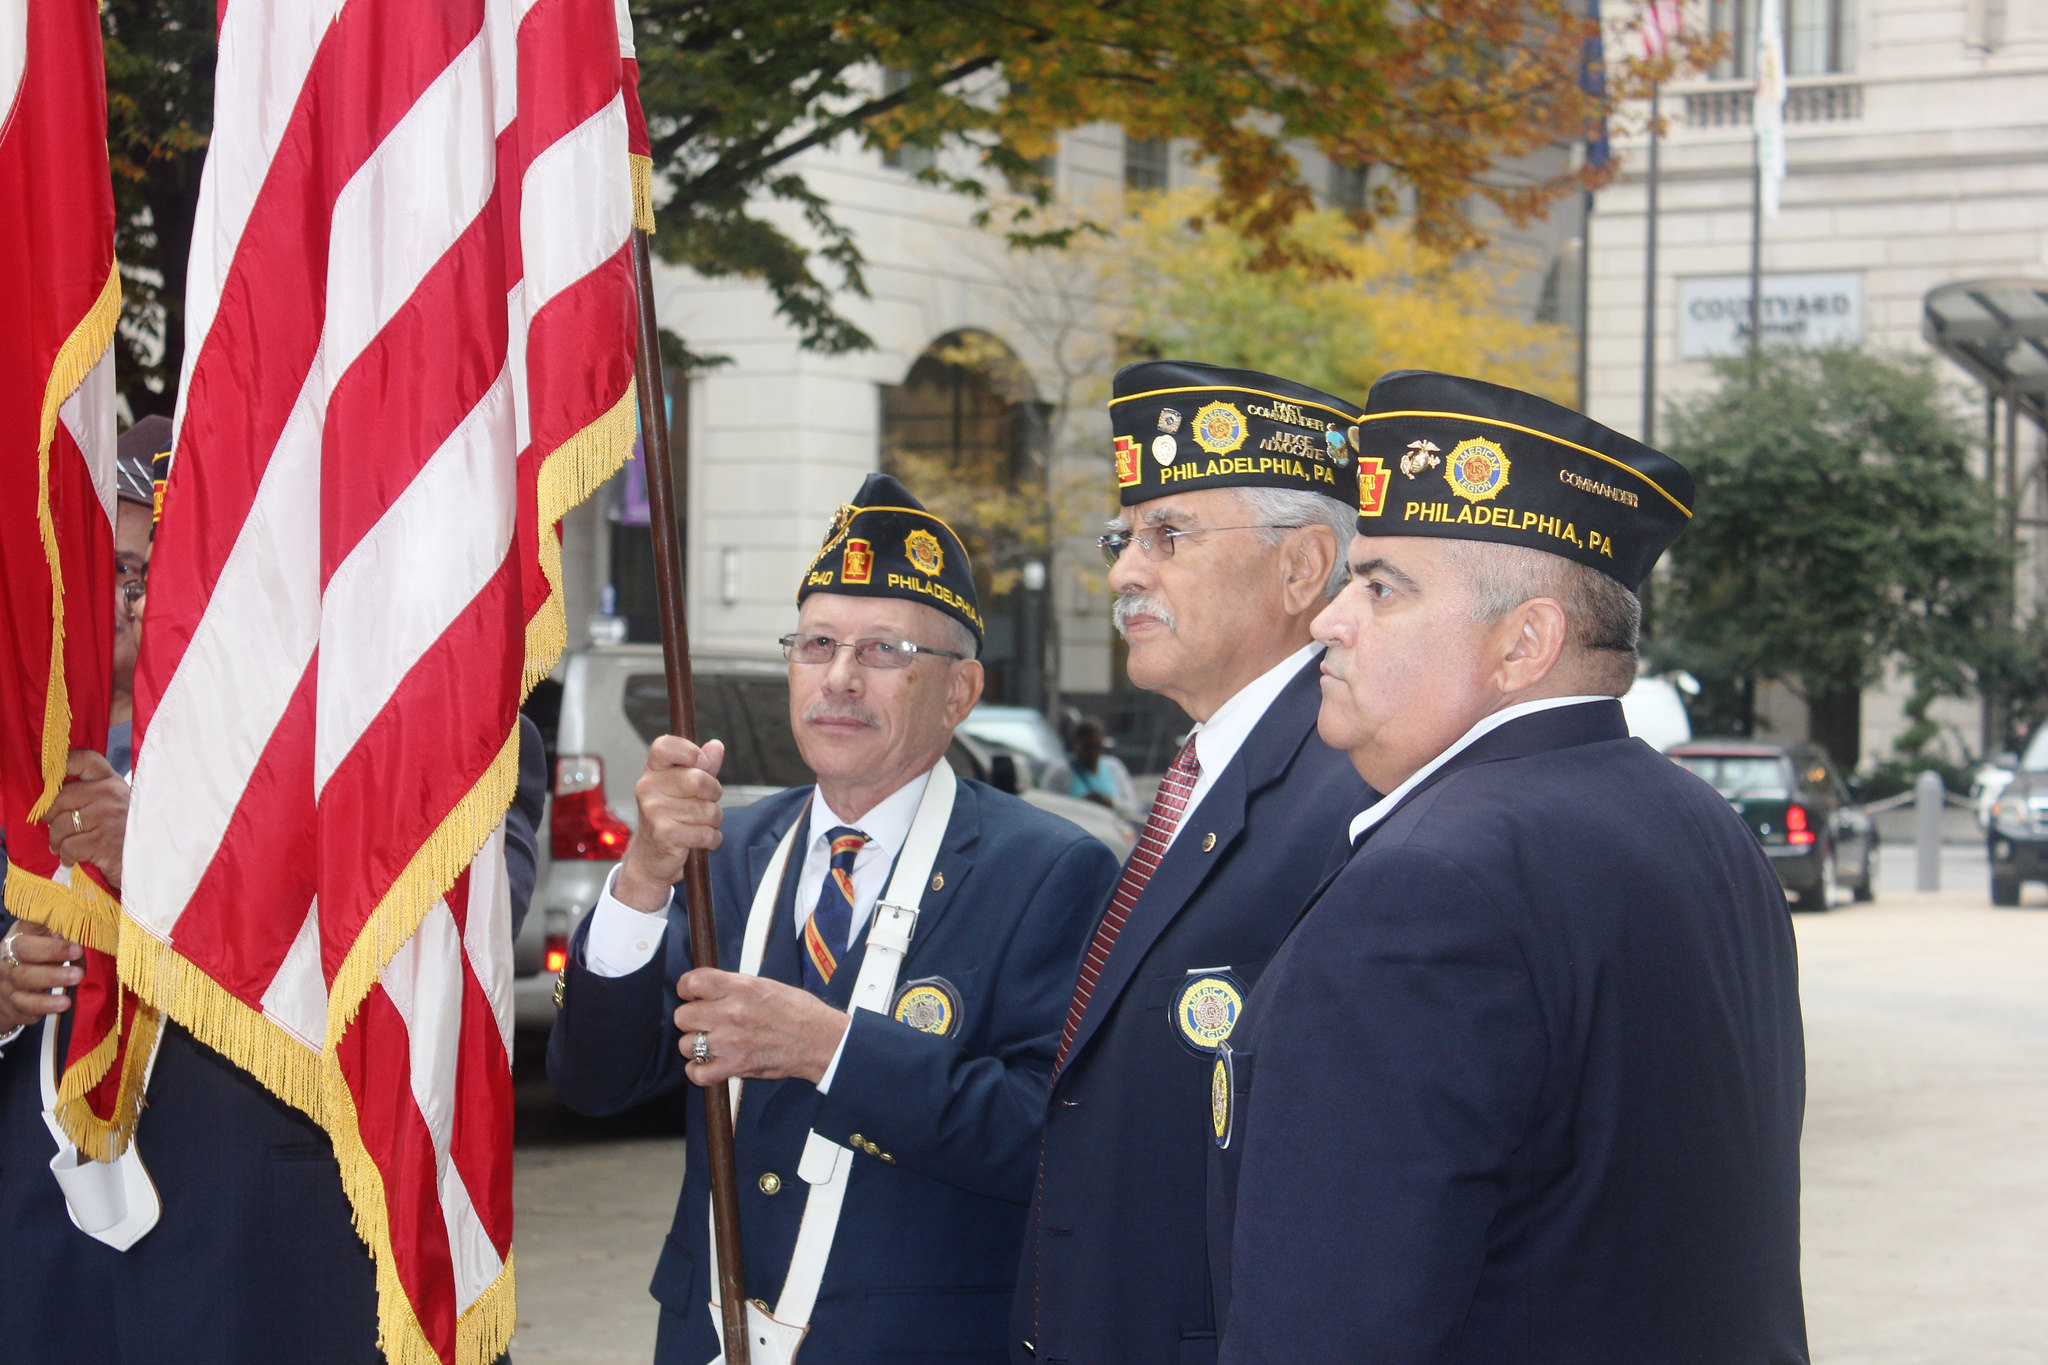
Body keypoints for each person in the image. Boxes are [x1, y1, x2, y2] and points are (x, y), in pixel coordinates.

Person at [1208, 370, 1808, 1363]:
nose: (1326, 620)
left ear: (1525, 642)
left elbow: (1329, 1323)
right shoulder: (1697, 826)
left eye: (1380, 586)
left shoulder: (1428, 886)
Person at [0, 412, 549, 1363]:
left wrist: (180, 868)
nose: (139, 599)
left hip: (273, 1254)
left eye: (170, 572)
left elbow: (436, 961)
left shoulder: (419, 744)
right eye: (121, 568)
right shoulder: (19, 750)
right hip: (40, 1255)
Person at [547, 473, 1119, 1364]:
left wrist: (833, 1049)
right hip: (711, 1333)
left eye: (885, 651)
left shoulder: (1048, 870)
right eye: (817, 644)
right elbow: (598, 1080)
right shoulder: (723, 852)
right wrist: (642, 879)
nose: (840, 679)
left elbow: (1050, 1139)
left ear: (960, 690)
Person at [1015, 362, 1372, 1365]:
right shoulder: (1209, 770)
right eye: (1123, 539)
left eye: (1168, 536)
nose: (1126, 571)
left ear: (1301, 570)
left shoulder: (1349, 793)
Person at [1041, 717, 1139, 823]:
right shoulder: (1061, 771)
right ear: (1077, 744)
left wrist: (1111, 803)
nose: (1093, 753)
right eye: (1088, 747)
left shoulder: (1114, 767)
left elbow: (1133, 808)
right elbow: (1046, 807)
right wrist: (1079, 805)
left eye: (1097, 746)